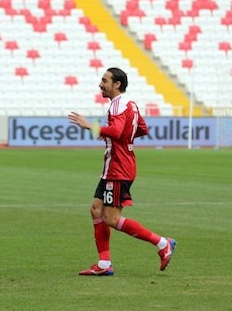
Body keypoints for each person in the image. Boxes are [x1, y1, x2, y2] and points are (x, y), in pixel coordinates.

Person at [67, 67, 176, 276]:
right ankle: (104, 264)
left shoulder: (117, 105)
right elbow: (141, 128)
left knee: (111, 218)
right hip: (113, 167)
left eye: (105, 80)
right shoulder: (130, 104)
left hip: (119, 168)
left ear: (117, 84)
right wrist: (124, 140)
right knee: (96, 210)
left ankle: (162, 243)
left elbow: (117, 131)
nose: (101, 84)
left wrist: (90, 125)